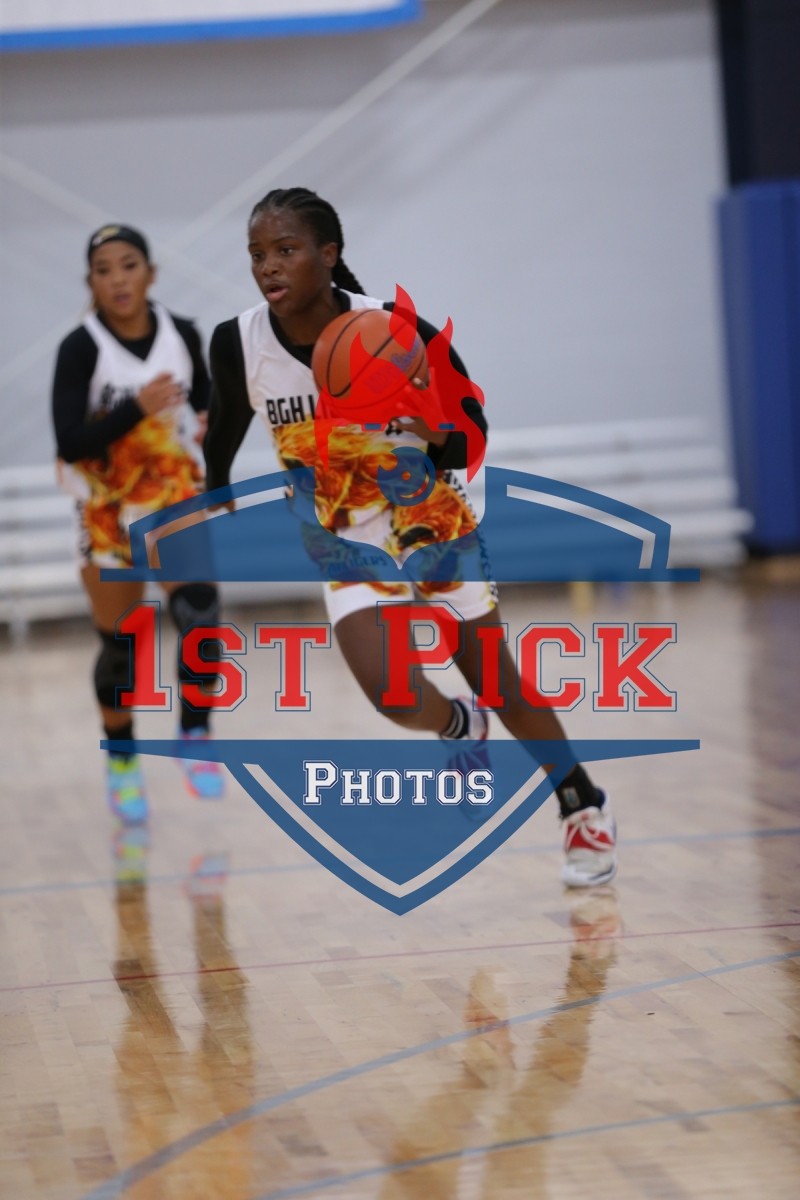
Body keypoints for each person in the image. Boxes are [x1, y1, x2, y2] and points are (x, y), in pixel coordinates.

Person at [204, 188, 616, 887]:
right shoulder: (237, 342)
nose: (267, 266)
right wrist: (213, 488)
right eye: (257, 254)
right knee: (395, 697)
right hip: (344, 538)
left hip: (429, 520)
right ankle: (459, 725)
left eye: (285, 250)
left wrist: (434, 433)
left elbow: (472, 434)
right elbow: (224, 426)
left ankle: (581, 802)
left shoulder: (395, 331)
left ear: (328, 254)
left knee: (499, 681)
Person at [52, 224, 225, 823]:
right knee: (122, 648)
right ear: (91, 282)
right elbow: (69, 441)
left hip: (174, 499)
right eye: (103, 270)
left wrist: (214, 425)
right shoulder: (82, 347)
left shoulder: (183, 334)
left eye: (128, 265)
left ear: (150, 272)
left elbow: (208, 403)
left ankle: (195, 734)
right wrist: (136, 408)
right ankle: (123, 760)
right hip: (108, 511)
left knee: (201, 617)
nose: (118, 279)